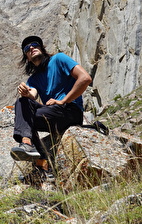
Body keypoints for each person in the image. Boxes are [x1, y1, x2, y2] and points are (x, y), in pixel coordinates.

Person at [11, 36, 92, 173]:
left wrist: (63, 100)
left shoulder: (59, 59)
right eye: (27, 48)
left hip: (70, 111)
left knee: (26, 118)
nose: (31, 48)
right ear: (27, 57)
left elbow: (85, 78)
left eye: (35, 44)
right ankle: (30, 147)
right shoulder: (34, 79)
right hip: (53, 114)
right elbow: (32, 94)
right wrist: (25, 93)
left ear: (42, 48)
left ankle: (38, 159)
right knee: (22, 102)